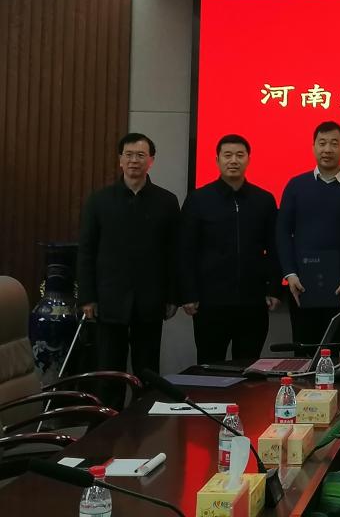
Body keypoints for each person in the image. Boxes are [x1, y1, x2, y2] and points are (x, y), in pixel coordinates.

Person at [77, 133, 179, 401]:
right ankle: (109, 421)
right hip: (109, 299)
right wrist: (87, 297)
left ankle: (144, 421)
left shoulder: (166, 201)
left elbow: (173, 253)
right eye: (129, 155)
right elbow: (86, 251)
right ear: (120, 160)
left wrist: (172, 296)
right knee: (109, 371)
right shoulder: (99, 201)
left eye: (141, 155)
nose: (134, 160)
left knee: (148, 372)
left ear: (151, 161)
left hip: (151, 299)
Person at [178, 134, 280, 364]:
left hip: (252, 302)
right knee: (209, 364)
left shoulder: (263, 200)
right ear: (217, 160)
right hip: (210, 303)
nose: (233, 160)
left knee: (249, 366)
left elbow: (275, 248)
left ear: (248, 159)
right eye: (227, 155)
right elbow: (185, 250)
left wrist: (274, 288)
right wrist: (188, 294)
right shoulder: (198, 199)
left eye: (239, 155)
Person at [277, 121, 340, 356]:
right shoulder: (296, 186)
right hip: (302, 287)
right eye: (322, 143)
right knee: (304, 356)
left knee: (339, 355)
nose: (327, 149)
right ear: (313, 147)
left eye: (334, 143)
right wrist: (290, 274)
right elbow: (282, 232)